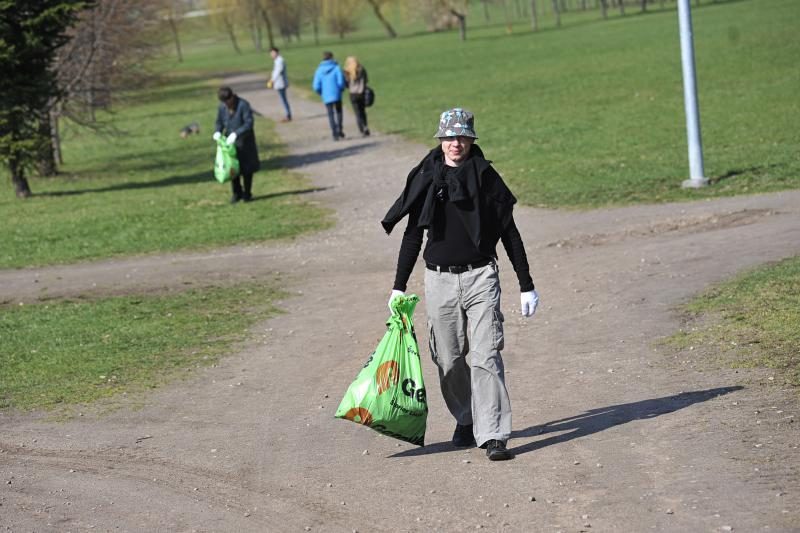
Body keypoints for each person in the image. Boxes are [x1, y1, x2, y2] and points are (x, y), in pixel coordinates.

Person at [381, 108, 539, 461]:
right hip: (438, 279)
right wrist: (398, 286)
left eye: (463, 137)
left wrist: (526, 283)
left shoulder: (486, 177)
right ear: (440, 139)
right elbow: (412, 236)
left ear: (471, 139)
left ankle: (494, 434)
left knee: (486, 356)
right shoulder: (427, 177)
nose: (456, 143)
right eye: (450, 137)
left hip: (481, 275)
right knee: (449, 359)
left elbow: (509, 233)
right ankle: (466, 418)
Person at [213, 86, 260, 203]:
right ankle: (236, 192)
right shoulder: (222, 107)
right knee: (233, 168)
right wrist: (218, 131)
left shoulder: (243, 105)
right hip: (230, 144)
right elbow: (219, 121)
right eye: (224, 102)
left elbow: (249, 123)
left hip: (245, 142)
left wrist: (236, 134)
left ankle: (247, 193)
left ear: (232, 97)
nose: (226, 105)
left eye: (227, 102)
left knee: (247, 169)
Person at [312, 51, 346, 141]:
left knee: (330, 114)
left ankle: (334, 133)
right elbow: (340, 82)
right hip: (337, 93)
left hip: (326, 95)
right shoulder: (336, 68)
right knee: (339, 112)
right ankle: (340, 129)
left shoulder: (319, 70)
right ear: (332, 57)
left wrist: (320, 92)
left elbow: (316, 85)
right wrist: (341, 89)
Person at [343, 56, 370, 137]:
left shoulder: (346, 71)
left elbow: (346, 84)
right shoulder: (362, 69)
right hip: (361, 92)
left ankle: (361, 130)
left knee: (357, 113)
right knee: (363, 111)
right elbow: (366, 80)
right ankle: (366, 127)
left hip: (353, 94)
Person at [267, 47, 292, 123]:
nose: (271, 55)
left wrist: (272, 80)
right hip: (279, 83)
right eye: (271, 53)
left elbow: (278, 71)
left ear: (277, 52)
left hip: (281, 83)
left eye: (273, 53)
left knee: (284, 100)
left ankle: (288, 115)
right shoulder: (277, 61)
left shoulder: (280, 60)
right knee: (283, 99)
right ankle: (288, 114)